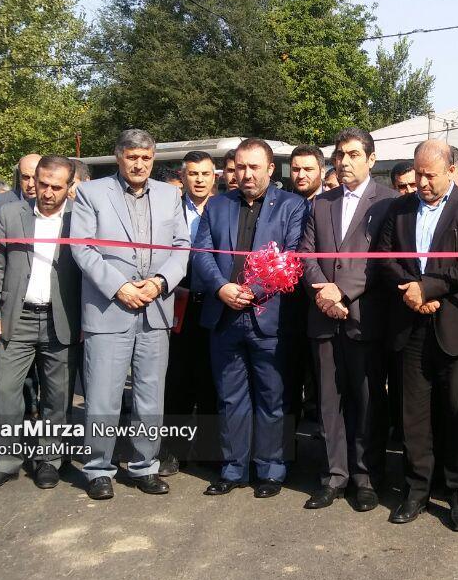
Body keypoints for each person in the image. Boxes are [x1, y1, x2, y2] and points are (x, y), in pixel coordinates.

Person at [376, 139, 458, 532]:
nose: (422, 183)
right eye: (418, 174)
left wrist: (428, 289)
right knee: (414, 417)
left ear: (451, 171)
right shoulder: (399, 209)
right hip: (410, 327)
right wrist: (412, 292)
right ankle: (415, 491)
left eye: (430, 175)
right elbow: (385, 257)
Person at [70, 129, 191, 501]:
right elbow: (83, 248)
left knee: (150, 396)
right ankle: (99, 469)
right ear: (118, 156)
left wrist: (160, 282)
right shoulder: (92, 193)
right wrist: (119, 286)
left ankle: (144, 466)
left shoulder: (170, 194)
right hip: (109, 307)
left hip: (155, 308)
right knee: (102, 397)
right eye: (132, 157)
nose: (139, 164)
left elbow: (182, 246)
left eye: (146, 157)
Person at [192, 139, 306, 498]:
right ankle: (233, 468)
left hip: (269, 317)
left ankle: (271, 470)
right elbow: (201, 253)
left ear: (270, 169)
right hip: (224, 315)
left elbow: (292, 257)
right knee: (230, 398)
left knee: (273, 398)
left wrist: (251, 290)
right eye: (240, 167)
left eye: (254, 167)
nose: (246, 174)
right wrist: (222, 288)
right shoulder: (218, 205)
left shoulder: (292, 205)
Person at [298, 128, 396, 512]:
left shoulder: (389, 202)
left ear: (371, 159)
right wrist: (323, 293)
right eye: (340, 155)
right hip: (323, 318)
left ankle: (366, 478)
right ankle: (333, 477)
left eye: (353, 154)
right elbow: (306, 254)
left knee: (368, 402)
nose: (344, 161)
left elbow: (385, 259)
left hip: (364, 319)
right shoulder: (321, 203)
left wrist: (343, 292)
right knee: (328, 402)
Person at [0, 156, 82, 490]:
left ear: (69, 187)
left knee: (57, 395)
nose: (48, 193)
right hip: (16, 317)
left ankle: (49, 459)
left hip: (62, 319)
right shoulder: (10, 214)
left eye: (56, 187)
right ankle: (5, 461)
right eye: (42, 184)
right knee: (5, 391)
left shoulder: (79, 219)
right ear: (33, 181)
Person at [160, 150, 219, 474]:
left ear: (214, 177)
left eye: (205, 174)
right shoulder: (168, 210)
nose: (199, 180)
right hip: (176, 303)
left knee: (211, 380)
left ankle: (209, 451)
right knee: (177, 381)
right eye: (193, 173)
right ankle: (173, 451)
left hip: (214, 303)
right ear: (183, 177)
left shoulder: (225, 209)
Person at [284, 145, 324, 424]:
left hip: (322, 302)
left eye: (308, 169)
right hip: (287, 305)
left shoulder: (333, 203)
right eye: (296, 169)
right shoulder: (280, 203)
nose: (301, 175)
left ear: (321, 170)